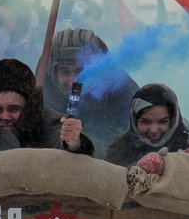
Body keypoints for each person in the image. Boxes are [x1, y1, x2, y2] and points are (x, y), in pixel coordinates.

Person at [0, 58, 93, 157]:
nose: (4, 116)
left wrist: (73, 143)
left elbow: (60, 139)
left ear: (28, 106)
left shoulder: (45, 120)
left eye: (13, 109)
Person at [41, 28, 138, 158]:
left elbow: (123, 149)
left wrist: (80, 143)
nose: (73, 81)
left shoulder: (123, 94)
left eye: (80, 71)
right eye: (64, 72)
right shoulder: (42, 92)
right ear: (52, 73)